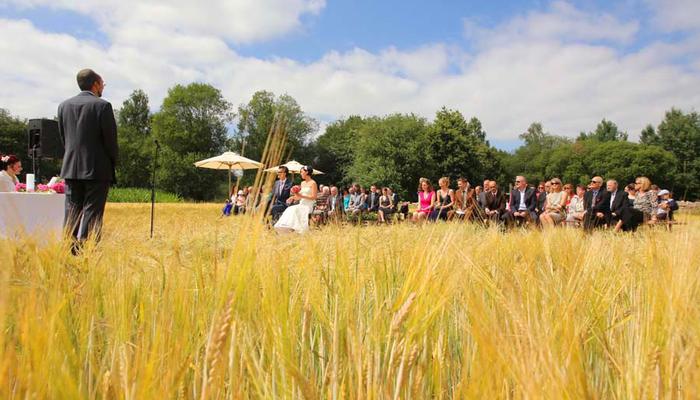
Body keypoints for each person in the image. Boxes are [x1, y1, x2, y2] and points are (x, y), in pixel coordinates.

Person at [58, 69, 118, 249]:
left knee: (72, 210)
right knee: (93, 211)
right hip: (97, 169)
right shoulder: (103, 106)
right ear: (96, 84)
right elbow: (110, 141)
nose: (103, 88)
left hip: (71, 168)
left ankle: (69, 249)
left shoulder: (63, 106)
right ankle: (86, 249)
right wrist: (113, 162)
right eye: (102, 84)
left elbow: (64, 138)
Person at [274, 166, 318, 234]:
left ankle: (297, 229)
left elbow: (314, 197)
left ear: (306, 172)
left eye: (301, 172)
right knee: (289, 209)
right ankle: (286, 228)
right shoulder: (302, 183)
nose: (300, 173)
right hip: (301, 204)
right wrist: (293, 197)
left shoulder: (313, 183)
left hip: (308, 205)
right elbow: (299, 197)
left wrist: (301, 196)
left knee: (294, 209)